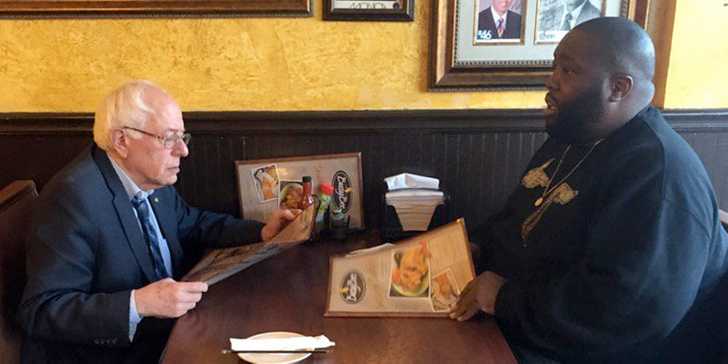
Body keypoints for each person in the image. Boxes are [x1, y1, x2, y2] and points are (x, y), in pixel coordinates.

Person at [450, 17, 728, 363]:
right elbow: (517, 220)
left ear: (619, 87)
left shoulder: (658, 177)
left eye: (569, 71)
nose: (551, 80)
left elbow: (620, 312)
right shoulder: (575, 136)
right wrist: (471, 248)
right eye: (555, 65)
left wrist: (502, 298)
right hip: (518, 325)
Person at [18, 80, 298, 363]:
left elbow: (192, 222)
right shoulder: (72, 199)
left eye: (182, 137)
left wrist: (262, 232)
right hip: (113, 354)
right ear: (122, 141)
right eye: (168, 138)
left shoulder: (149, 175)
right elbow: (42, 311)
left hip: (171, 331)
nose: (183, 151)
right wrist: (139, 303)